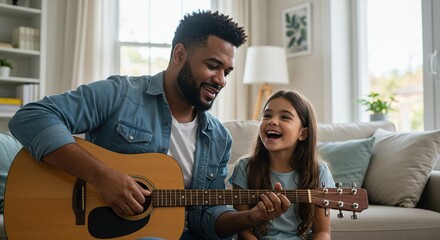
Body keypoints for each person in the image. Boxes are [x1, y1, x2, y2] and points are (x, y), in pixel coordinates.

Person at [8, 10, 290, 239]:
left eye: (226, 71)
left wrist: (250, 217)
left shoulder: (218, 137)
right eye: (213, 65)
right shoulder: (120, 95)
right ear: (180, 55)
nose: (221, 80)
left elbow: (206, 217)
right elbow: (31, 117)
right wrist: (101, 177)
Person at [229, 90, 335, 240]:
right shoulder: (245, 168)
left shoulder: (319, 172)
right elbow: (244, 232)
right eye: (267, 115)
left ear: (303, 133)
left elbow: (322, 232)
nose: (272, 121)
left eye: (285, 117)